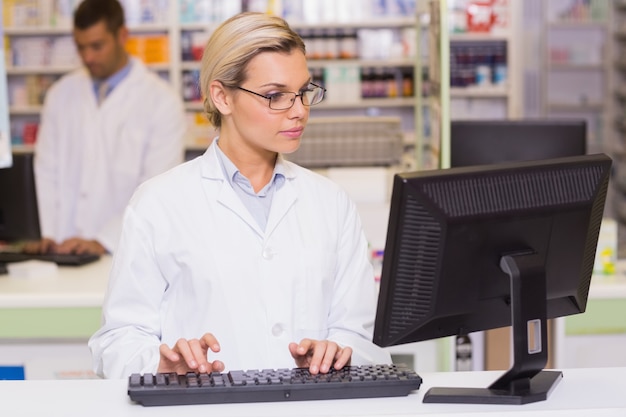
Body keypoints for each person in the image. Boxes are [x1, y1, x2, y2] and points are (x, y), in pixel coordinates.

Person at [89, 11, 391, 379]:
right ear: (222, 97)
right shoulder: (158, 203)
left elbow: (361, 335)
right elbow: (119, 339)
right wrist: (160, 363)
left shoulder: (331, 203)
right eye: (275, 96)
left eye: (304, 92)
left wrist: (337, 352)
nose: (299, 111)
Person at [26, 0, 187, 256]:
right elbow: (47, 170)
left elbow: (156, 188)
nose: (88, 57)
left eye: (97, 46)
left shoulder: (162, 101)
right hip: (63, 249)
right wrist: (51, 236)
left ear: (122, 35)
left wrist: (104, 241)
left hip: (126, 251)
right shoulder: (60, 94)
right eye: (80, 47)